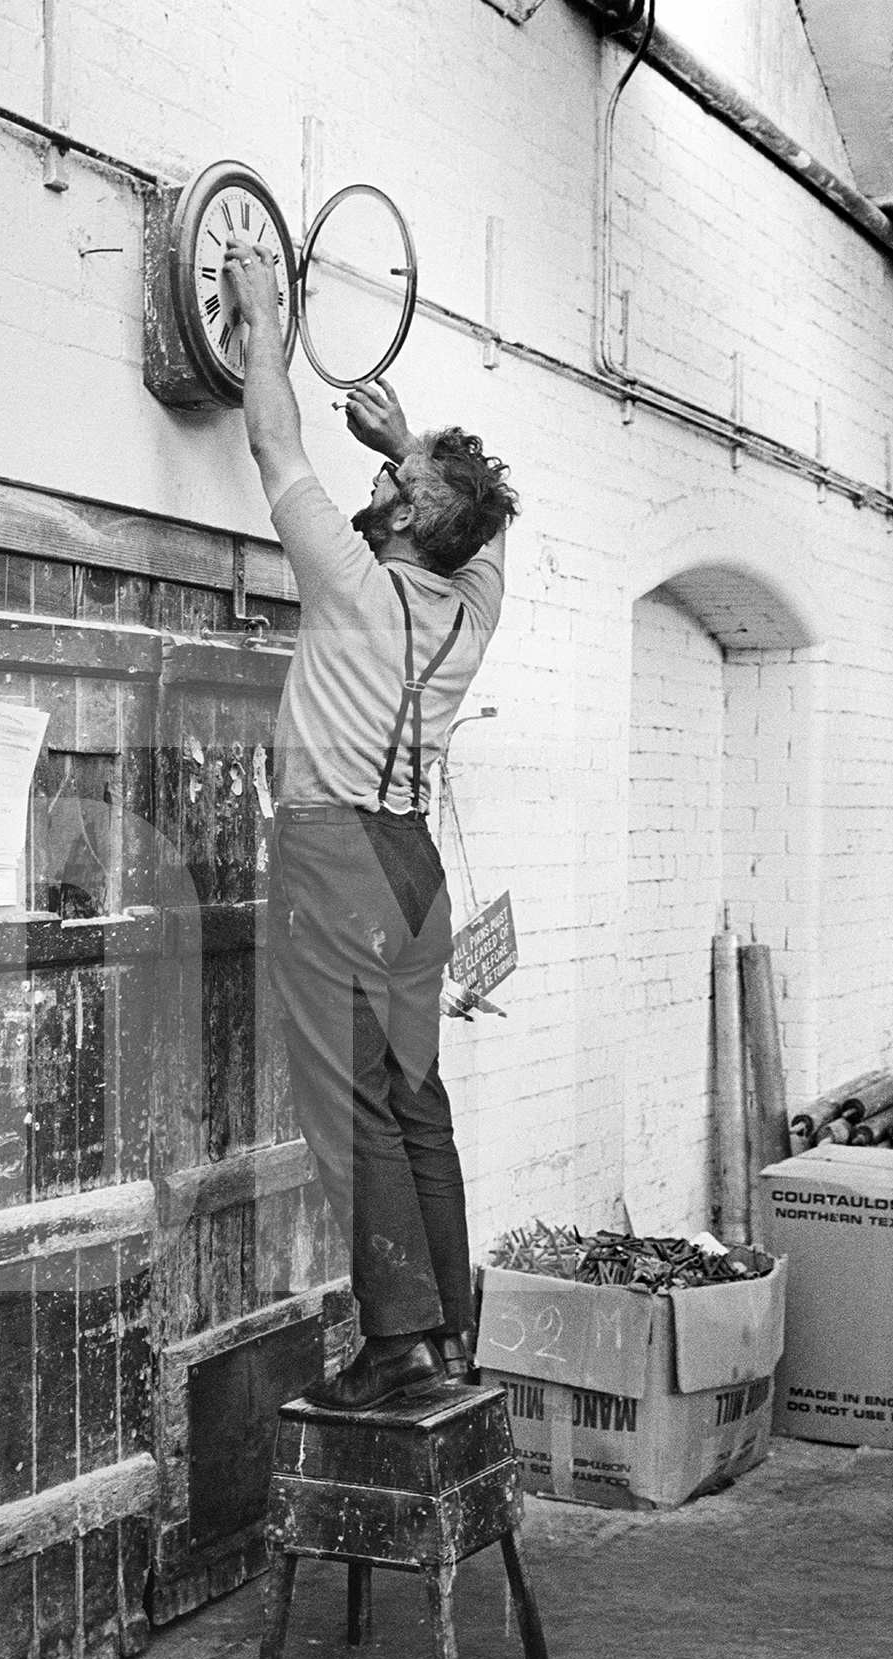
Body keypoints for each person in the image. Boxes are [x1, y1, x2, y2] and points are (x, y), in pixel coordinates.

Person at [222, 239, 519, 1411]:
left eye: (395, 491)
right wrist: (410, 452)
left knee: (354, 1107)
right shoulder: (469, 609)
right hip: (412, 870)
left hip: (335, 853)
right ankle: (448, 1330)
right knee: (416, 1104)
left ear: (399, 526)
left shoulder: (349, 579)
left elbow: (271, 438)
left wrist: (262, 320)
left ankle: (398, 1345)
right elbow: (484, 523)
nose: (383, 490)